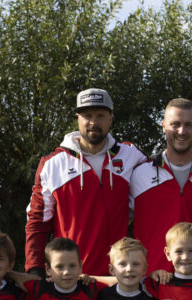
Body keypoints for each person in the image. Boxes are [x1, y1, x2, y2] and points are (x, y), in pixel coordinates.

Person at [25, 88, 147, 277]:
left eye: (100, 116)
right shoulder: (52, 163)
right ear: (78, 119)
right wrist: (35, 269)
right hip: (70, 277)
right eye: (87, 116)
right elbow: (37, 221)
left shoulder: (131, 156)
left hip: (119, 277)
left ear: (111, 118)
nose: (93, 122)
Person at [130, 98, 192, 278]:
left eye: (188, 125)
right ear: (163, 126)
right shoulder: (139, 174)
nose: (182, 131)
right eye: (175, 124)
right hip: (153, 284)